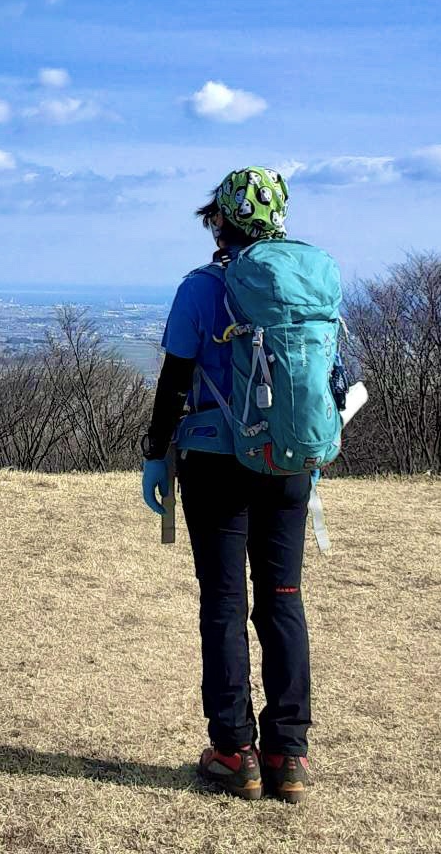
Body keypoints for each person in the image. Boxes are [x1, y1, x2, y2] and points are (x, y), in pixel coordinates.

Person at [140, 167, 317, 803]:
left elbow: (174, 380)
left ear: (221, 221)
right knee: (283, 598)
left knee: (223, 601)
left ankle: (234, 752)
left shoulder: (201, 287)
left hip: (215, 461)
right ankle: (288, 755)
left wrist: (155, 456)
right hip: (289, 461)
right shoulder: (305, 283)